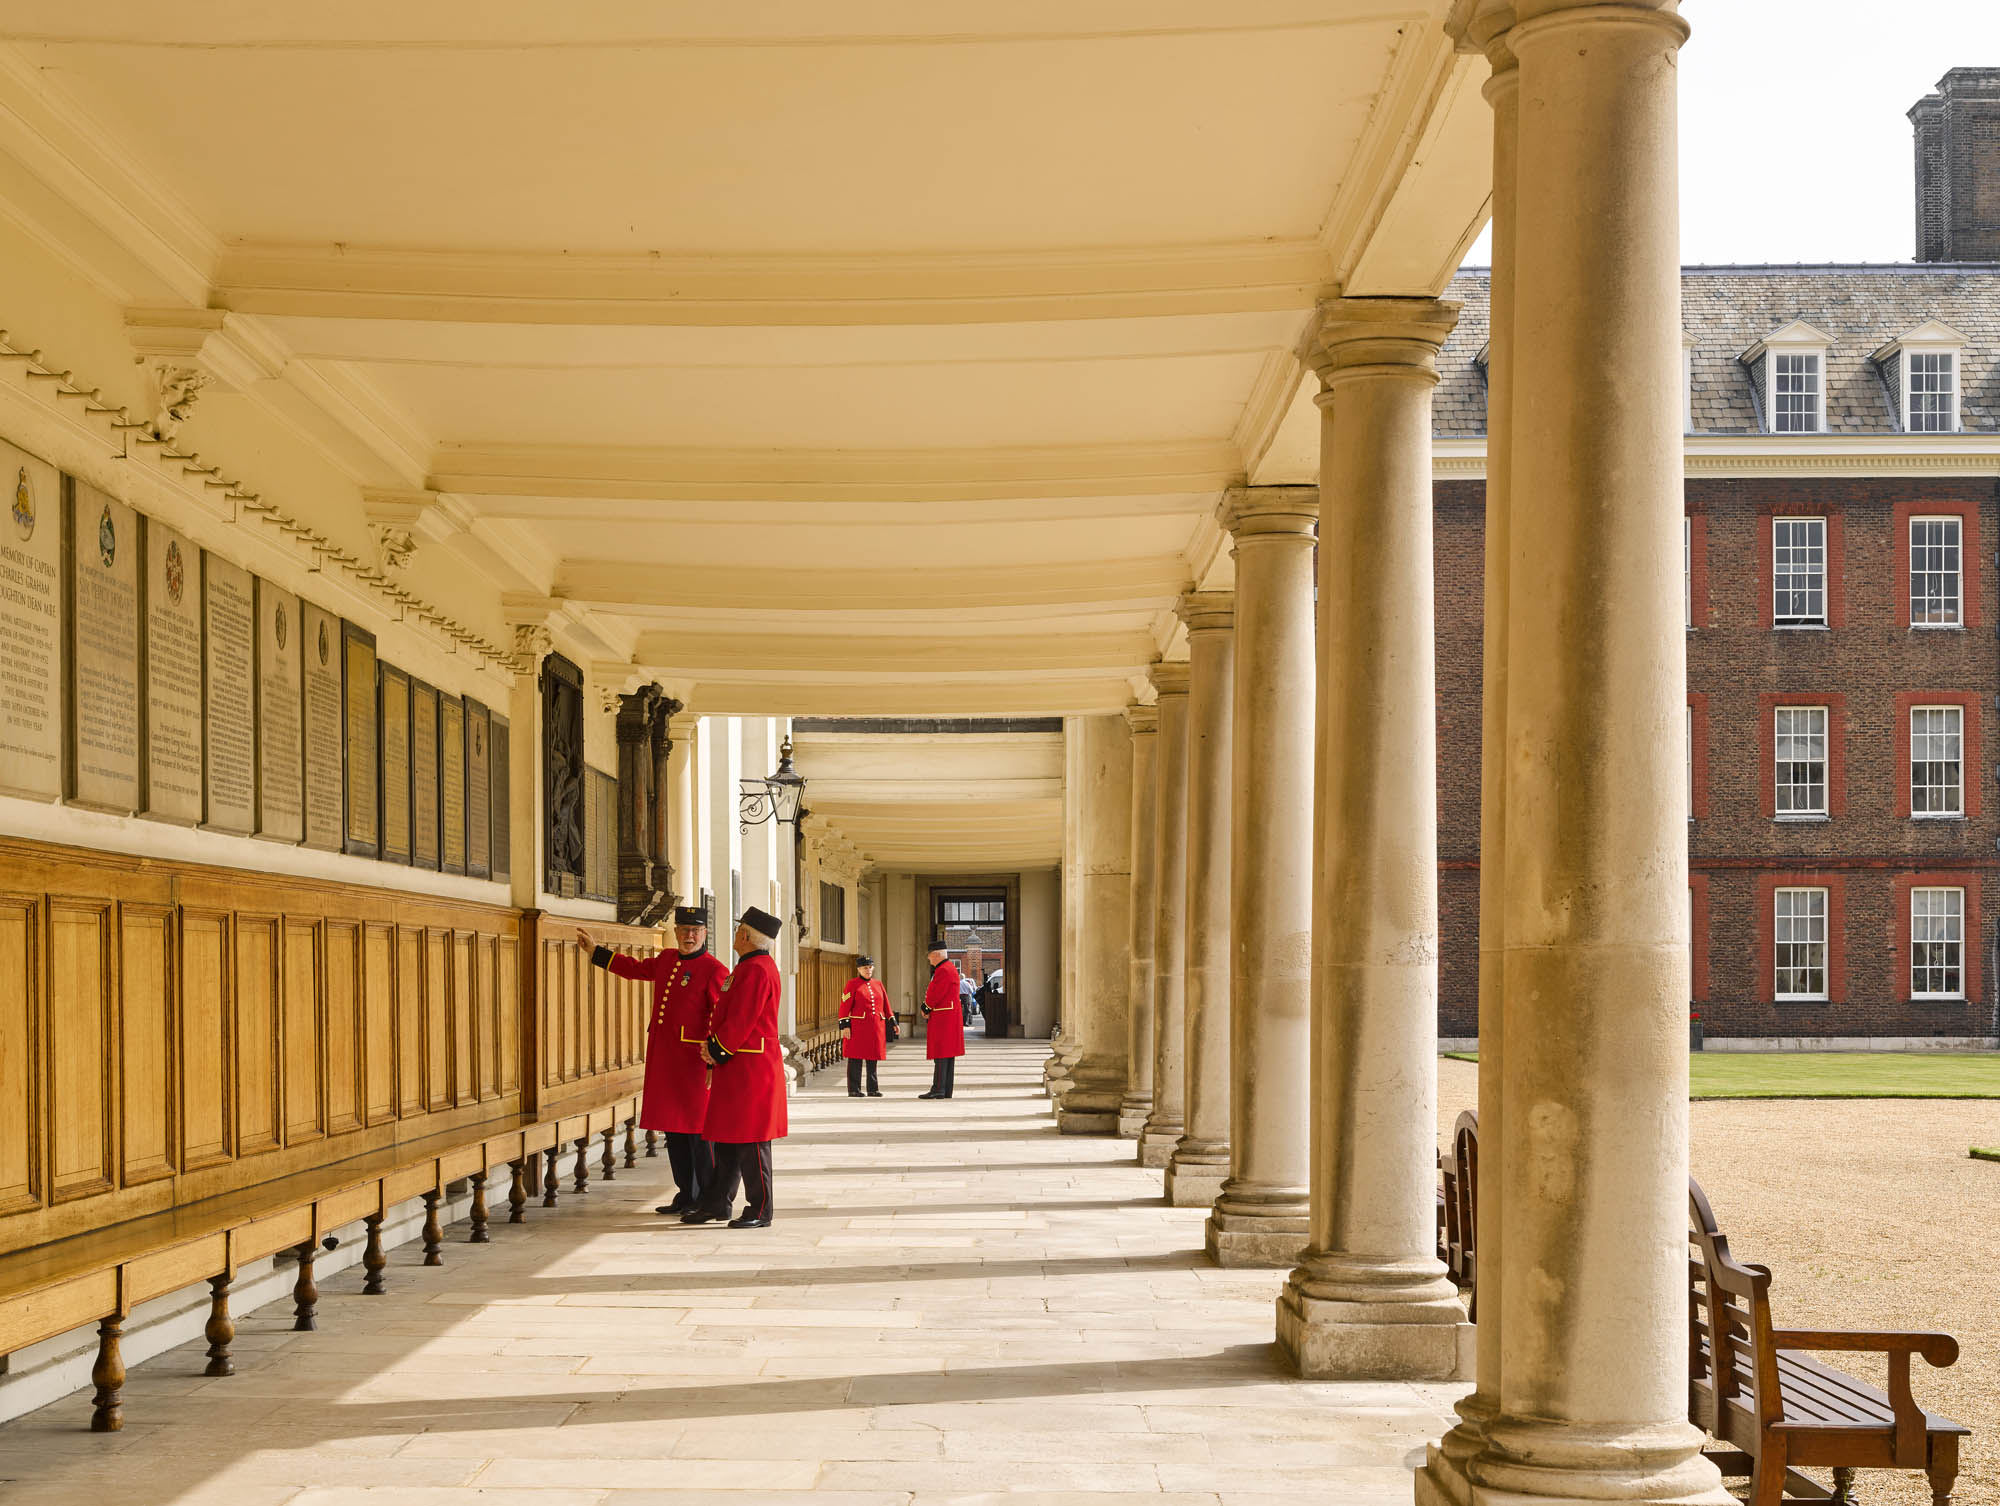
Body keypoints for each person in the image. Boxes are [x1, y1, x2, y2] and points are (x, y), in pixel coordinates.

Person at [579, 908, 725, 1216]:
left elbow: (720, 1015)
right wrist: (596, 953)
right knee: (674, 1131)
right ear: (675, 931)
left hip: (695, 1063)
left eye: (695, 931)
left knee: (697, 1134)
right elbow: (633, 968)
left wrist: (714, 1058)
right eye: (684, 929)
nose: (689, 936)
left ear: (705, 934)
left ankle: (706, 1198)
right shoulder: (667, 960)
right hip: (666, 1060)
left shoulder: (714, 969)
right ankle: (685, 1193)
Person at [684, 907, 787, 1228]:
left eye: (737, 930)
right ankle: (717, 1203)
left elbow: (743, 1018)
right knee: (728, 1140)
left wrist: (716, 1049)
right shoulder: (748, 967)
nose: (735, 935)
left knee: (752, 1144)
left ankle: (760, 1210)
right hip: (738, 1065)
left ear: (745, 936)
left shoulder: (756, 970)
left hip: (750, 1068)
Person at [918, 940, 964, 1099]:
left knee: (941, 1054)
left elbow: (936, 992)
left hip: (943, 1017)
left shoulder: (943, 970)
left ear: (936, 954)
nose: (929, 960)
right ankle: (945, 1089)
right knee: (947, 1055)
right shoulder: (948, 968)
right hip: (948, 1015)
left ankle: (938, 1089)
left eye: (930, 956)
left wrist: (926, 1007)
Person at [839, 954, 889, 1097]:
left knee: (872, 1058)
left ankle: (873, 1088)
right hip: (858, 1028)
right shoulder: (852, 984)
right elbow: (844, 1006)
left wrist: (892, 1021)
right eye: (865, 968)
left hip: (874, 1028)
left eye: (870, 967)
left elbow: (886, 1004)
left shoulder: (878, 984)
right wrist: (845, 1026)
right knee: (855, 1058)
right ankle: (854, 1089)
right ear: (859, 969)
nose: (868, 970)